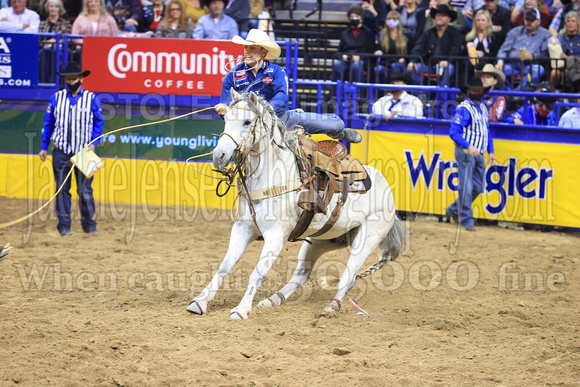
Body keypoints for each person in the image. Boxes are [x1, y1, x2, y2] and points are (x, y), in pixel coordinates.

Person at [216, 29, 363, 143]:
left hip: (281, 119)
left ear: (263, 52)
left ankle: (339, 132)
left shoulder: (276, 71)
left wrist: (269, 106)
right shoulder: (232, 75)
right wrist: (225, 109)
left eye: (253, 48)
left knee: (334, 125)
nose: (247, 51)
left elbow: (282, 95)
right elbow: (227, 103)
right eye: (246, 47)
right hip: (248, 126)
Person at [38, 62, 104, 236]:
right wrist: (44, 146)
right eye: (68, 79)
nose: (71, 81)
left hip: (85, 151)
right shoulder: (56, 98)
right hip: (60, 151)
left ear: (81, 78)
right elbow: (49, 124)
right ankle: (64, 226)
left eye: (73, 78)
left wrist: (93, 143)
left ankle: (89, 225)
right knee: (62, 190)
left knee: (85, 191)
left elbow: (99, 122)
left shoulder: (91, 98)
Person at [446, 76, 495, 232]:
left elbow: (486, 131)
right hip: (467, 151)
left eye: (478, 90)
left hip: (478, 152)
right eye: (473, 90)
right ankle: (466, 219)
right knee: (466, 187)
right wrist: (469, 145)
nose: (476, 92)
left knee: (479, 188)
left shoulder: (484, 108)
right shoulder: (463, 108)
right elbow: (453, 132)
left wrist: (491, 151)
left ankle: (453, 209)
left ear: (482, 92)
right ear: (468, 92)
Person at [495, 8, 551, 89]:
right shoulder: (514, 32)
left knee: (539, 70)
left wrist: (533, 57)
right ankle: (508, 93)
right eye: (527, 20)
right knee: (498, 70)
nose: (529, 22)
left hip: (531, 65)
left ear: (539, 21)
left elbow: (545, 54)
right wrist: (500, 61)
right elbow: (504, 49)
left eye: (532, 20)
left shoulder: (545, 34)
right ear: (524, 20)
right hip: (513, 64)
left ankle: (517, 93)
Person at [408, 5, 462, 86]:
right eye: (438, 15)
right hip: (429, 65)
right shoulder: (428, 33)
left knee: (450, 69)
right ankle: (421, 93)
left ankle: (441, 96)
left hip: (445, 66)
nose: (440, 17)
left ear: (449, 19)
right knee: (411, 68)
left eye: (443, 16)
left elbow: (455, 49)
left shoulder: (455, 33)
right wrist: (413, 61)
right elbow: (418, 47)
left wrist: (448, 61)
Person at [332, 4, 379, 83]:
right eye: (352, 17)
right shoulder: (345, 33)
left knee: (356, 65)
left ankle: (358, 94)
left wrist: (360, 57)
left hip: (363, 61)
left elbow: (371, 52)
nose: (354, 19)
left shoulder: (368, 32)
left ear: (361, 17)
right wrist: (343, 56)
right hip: (347, 60)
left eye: (356, 17)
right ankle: (335, 93)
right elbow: (338, 52)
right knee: (337, 65)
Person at [39, 0, 71, 83]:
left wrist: (56, 41)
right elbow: (39, 40)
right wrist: (47, 43)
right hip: (45, 49)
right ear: (47, 8)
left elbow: (68, 38)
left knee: (55, 54)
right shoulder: (42, 23)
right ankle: (44, 82)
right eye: (51, 6)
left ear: (59, 9)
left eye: (56, 7)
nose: (53, 9)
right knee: (45, 53)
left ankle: (56, 83)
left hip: (60, 49)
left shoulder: (65, 23)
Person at [376, 10, 410, 81]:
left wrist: (405, 59)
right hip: (385, 62)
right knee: (378, 69)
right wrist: (378, 52)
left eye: (394, 19)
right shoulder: (382, 34)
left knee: (395, 66)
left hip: (400, 62)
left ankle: (395, 90)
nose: (391, 21)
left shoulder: (406, 34)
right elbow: (378, 49)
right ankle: (381, 91)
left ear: (398, 21)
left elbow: (410, 50)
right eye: (389, 19)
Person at [551, 10, 580, 87]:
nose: (570, 23)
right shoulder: (559, 37)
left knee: (567, 72)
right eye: (568, 21)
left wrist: (568, 58)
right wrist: (553, 43)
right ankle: (553, 94)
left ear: (578, 24)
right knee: (554, 73)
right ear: (565, 24)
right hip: (561, 65)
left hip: (577, 67)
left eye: (573, 21)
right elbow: (548, 48)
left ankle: (569, 96)